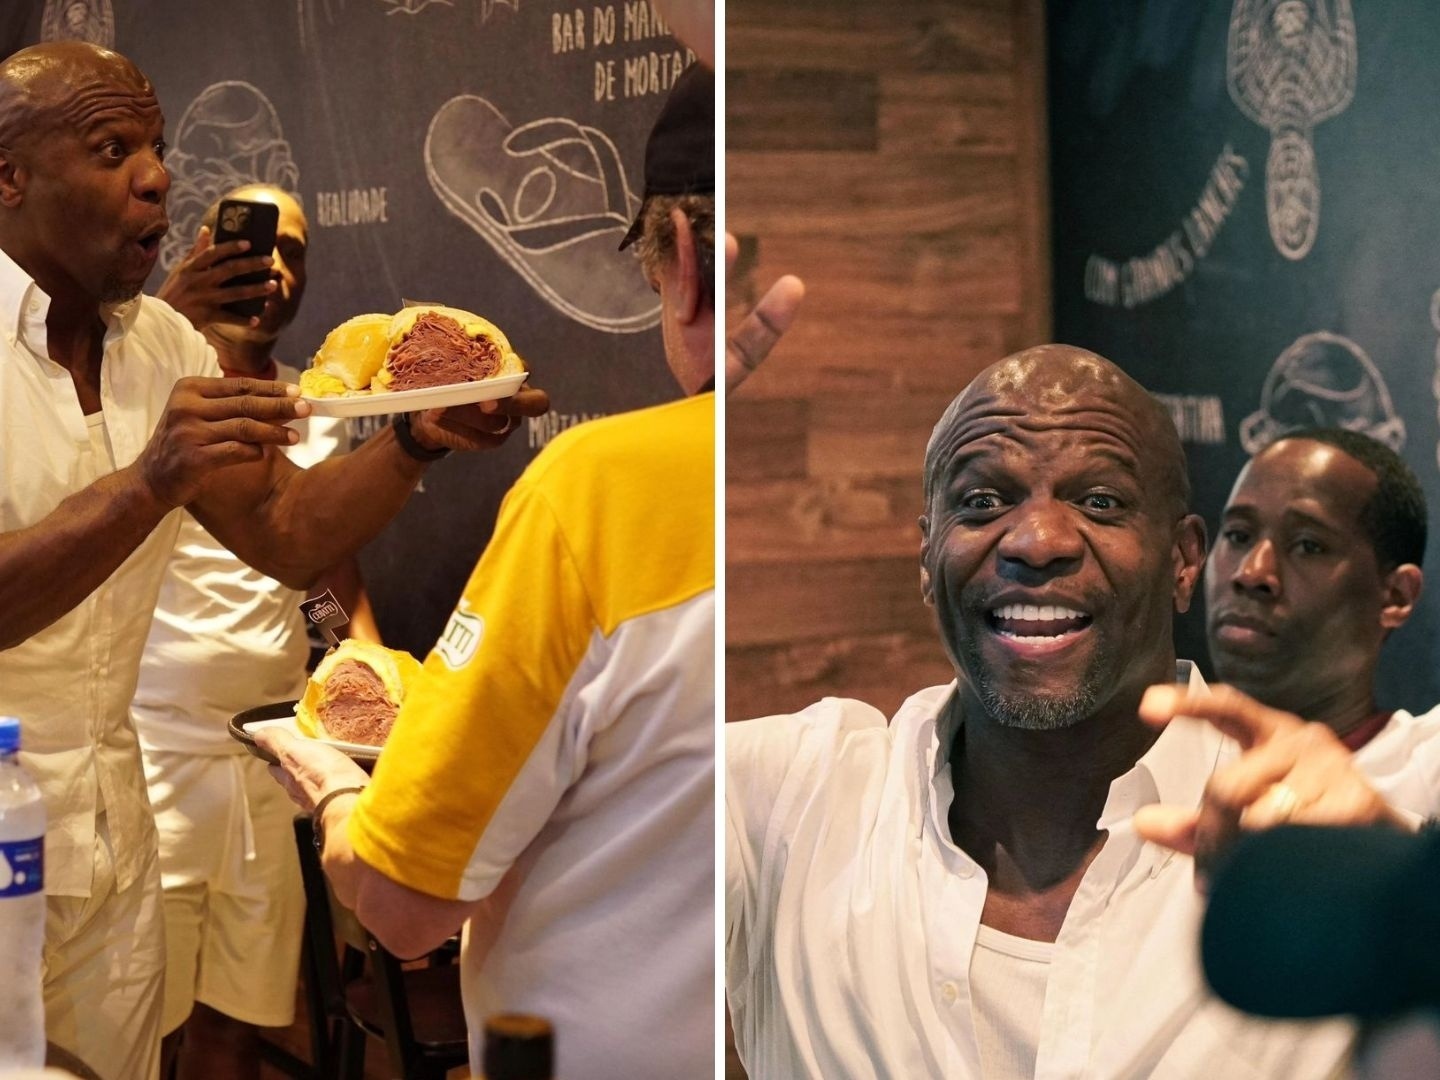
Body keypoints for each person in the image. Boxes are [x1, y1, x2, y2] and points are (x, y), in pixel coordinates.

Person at [0, 41, 545, 1080]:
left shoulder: (162, 344)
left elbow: (286, 535)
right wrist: (150, 481)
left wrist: (416, 436)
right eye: (111, 149)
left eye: (155, 148)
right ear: (7, 178)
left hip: (115, 825)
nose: (155, 175)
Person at [725, 344, 1409, 1079]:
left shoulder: (1324, 836)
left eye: (1100, 502)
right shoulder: (790, 803)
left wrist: (1409, 926)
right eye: (983, 502)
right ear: (928, 558)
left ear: (1183, 561)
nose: (1037, 541)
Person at [257, 63, 716, 1080]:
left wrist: (334, 783)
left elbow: (404, 905)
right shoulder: (912, 487)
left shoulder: (594, 494)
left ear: (679, 256)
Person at [133, 183, 379, 1080]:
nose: (272, 265)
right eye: (252, 243)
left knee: (239, 1024)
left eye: (295, 251)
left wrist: (361, 659)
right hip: (151, 757)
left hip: (270, 761)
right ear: (202, 249)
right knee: (139, 1027)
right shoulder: (145, 386)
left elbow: (316, 578)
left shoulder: (315, 415)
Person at [1203, 428, 1440, 809]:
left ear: (1395, 596)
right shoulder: (1143, 759)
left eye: (1308, 545)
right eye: (1238, 535)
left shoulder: (1428, 767)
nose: (1252, 572)